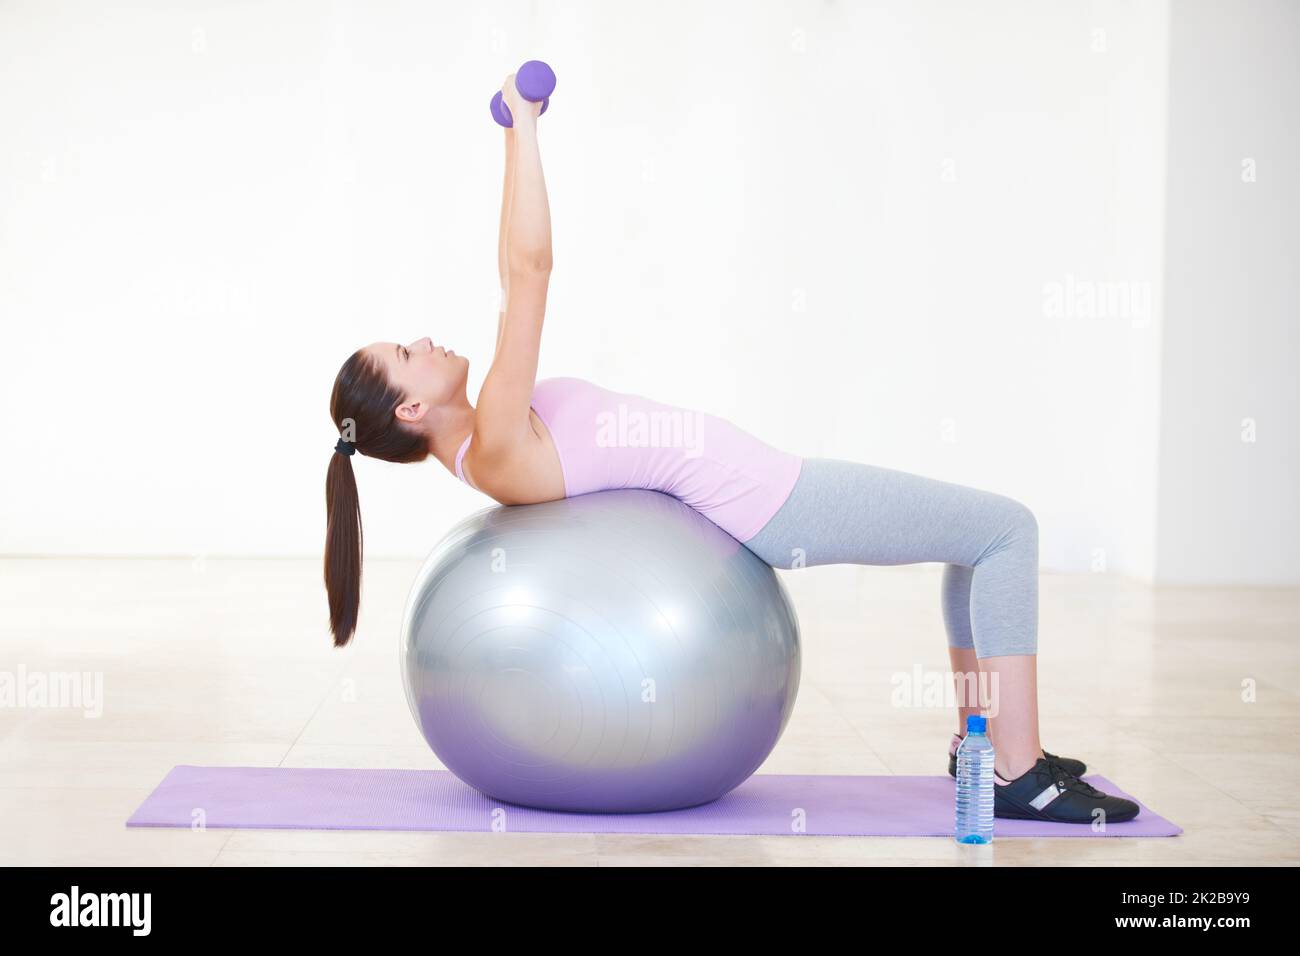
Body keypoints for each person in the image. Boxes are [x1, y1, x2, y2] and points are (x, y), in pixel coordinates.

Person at [323, 73, 1138, 825]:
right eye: (407, 349)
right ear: (412, 404)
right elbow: (527, 272)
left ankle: (988, 749)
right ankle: (1017, 774)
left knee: (975, 545)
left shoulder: (488, 437)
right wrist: (525, 127)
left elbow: (512, 274)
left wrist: (512, 135)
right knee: (1006, 531)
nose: (424, 339)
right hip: (774, 504)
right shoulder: (496, 434)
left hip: (766, 493)